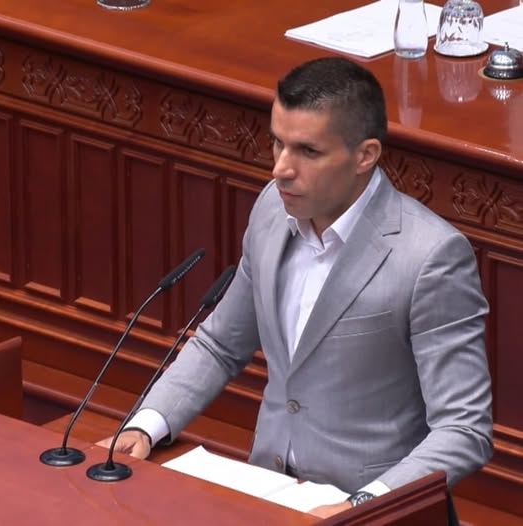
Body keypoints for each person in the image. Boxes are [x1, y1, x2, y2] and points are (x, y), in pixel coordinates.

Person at [99, 57, 493, 521]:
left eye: (307, 151)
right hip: (268, 498)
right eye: (277, 143)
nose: (280, 169)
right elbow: (221, 344)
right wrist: (147, 424)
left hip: (376, 512)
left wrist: (361, 506)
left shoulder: (430, 256)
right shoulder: (272, 210)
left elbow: (464, 428)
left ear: (365, 156)